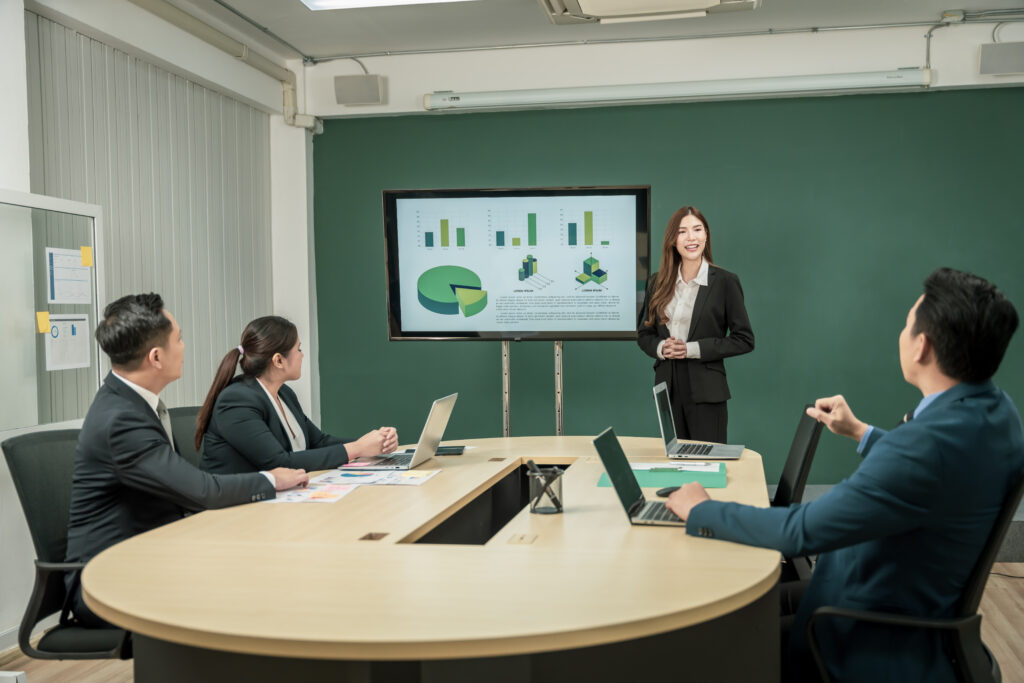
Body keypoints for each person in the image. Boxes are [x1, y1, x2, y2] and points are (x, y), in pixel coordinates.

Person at [665, 268, 1023, 682]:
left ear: (922, 346)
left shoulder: (923, 449)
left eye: (907, 325)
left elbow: (800, 531)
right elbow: (937, 470)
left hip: (857, 631)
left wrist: (702, 510)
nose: (902, 334)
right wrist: (862, 432)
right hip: (897, 600)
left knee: (701, 645)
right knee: (737, 607)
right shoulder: (997, 412)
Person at [65, 294, 309, 628]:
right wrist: (273, 479)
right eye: (178, 339)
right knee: (258, 582)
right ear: (156, 357)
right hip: (110, 579)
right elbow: (201, 490)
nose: (184, 347)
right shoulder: (121, 419)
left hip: (151, 555)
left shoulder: (131, 404)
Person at [198, 315, 397, 475]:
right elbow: (279, 463)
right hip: (236, 507)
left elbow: (318, 442)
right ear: (278, 360)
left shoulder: (284, 393)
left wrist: (375, 443)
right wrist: (358, 448)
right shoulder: (237, 400)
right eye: (298, 349)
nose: (302, 355)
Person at [637, 206, 754, 443]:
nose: (691, 237)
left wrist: (690, 349)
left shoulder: (725, 282)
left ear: (706, 235)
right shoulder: (656, 282)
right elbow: (644, 334)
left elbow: (744, 340)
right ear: (673, 240)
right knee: (676, 459)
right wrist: (662, 348)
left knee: (707, 459)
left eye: (697, 229)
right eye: (682, 231)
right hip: (668, 389)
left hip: (707, 391)